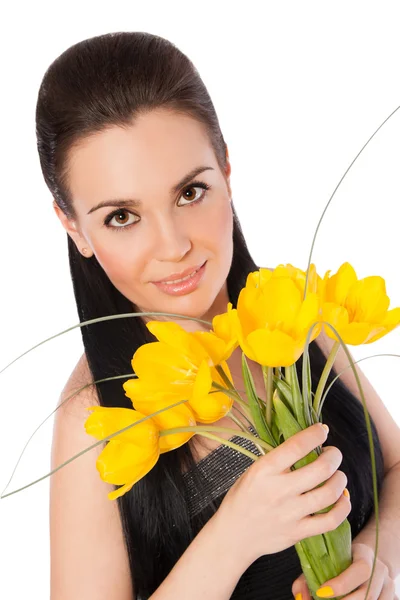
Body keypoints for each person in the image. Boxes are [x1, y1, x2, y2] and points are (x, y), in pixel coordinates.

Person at [37, 32, 388, 599]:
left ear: (226, 170)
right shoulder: (95, 418)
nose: (173, 245)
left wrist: (376, 559)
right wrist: (234, 535)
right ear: (73, 225)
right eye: (122, 216)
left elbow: (396, 471)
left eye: (190, 192)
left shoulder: (291, 312)